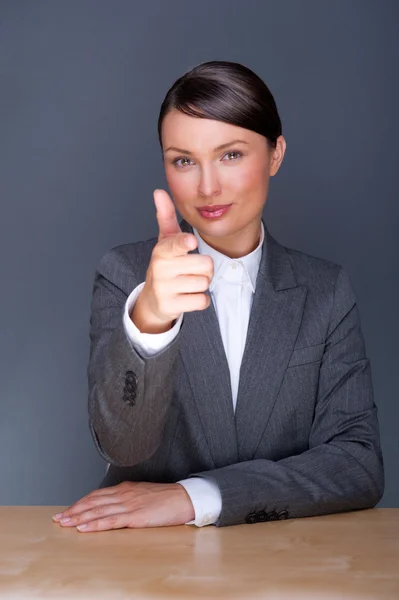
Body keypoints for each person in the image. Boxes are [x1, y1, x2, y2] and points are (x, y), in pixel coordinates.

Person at [53, 61, 384, 532]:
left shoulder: (326, 290)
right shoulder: (126, 274)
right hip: (145, 562)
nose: (206, 187)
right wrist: (150, 321)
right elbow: (121, 447)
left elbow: (357, 464)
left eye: (230, 155)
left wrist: (195, 497)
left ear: (275, 154)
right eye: (183, 160)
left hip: (285, 562)